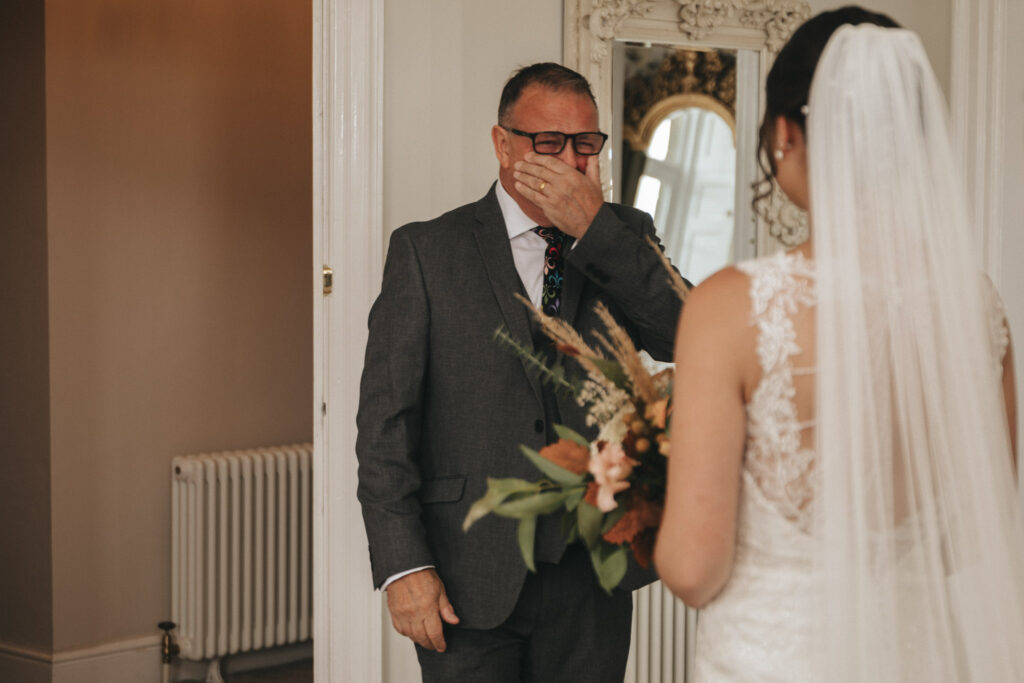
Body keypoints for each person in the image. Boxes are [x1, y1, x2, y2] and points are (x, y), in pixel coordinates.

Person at [655, 6, 1024, 682]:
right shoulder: (978, 306)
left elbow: (692, 568)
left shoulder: (732, 306)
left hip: (773, 661)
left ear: (786, 133)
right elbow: (979, 528)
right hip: (923, 658)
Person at [355, 62, 683, 682]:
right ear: (502, 143)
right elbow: (384, 426)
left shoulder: (625, 237)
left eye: (586, 144)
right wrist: (404, 567)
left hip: (594, 571)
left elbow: (686, 335)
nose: (571, 161)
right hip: (464, 574)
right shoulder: (426, 252)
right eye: (549, 143)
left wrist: (596, 231)